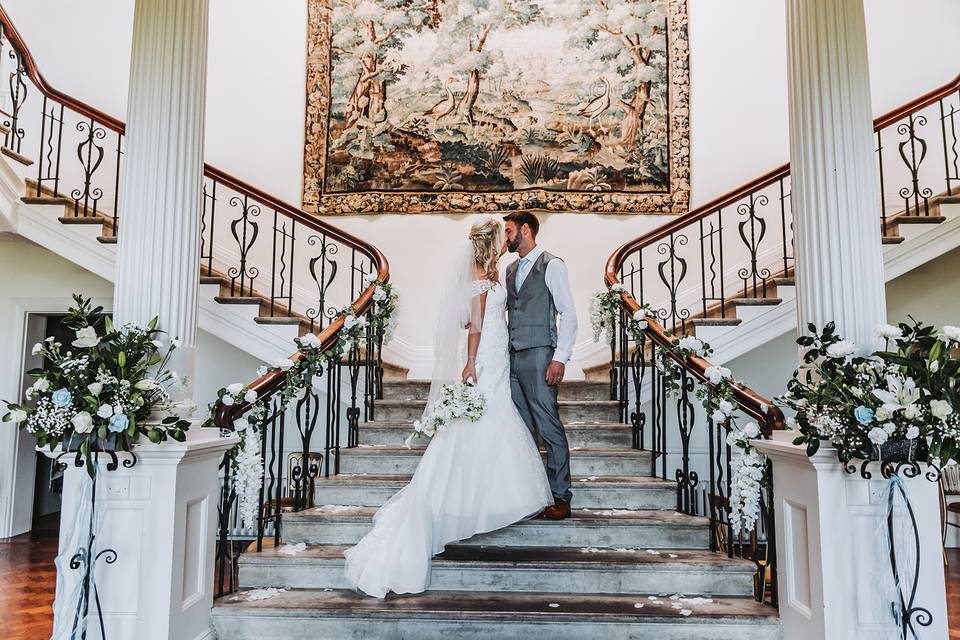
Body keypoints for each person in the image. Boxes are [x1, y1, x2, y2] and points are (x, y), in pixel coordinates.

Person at [343, 216, 553, 599]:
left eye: (508, 233)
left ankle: (485, 495)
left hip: (496, 353)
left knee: (491, 418)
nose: (505, 239)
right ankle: (464, 500)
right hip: (486, 356)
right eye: (500, 235)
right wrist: (471, 362)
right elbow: (472, 325)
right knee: (484, 419)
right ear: (489, 242)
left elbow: (468, 318)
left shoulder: (489, 272)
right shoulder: (480, 275)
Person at [503, 211, 578, 520]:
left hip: (540, 355)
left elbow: (568, 313)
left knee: (548, 426)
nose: (505, 237)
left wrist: (560, 357)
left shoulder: (552, 265)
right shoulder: (508, 270)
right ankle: (531, 496)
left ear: (525, 230)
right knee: (521, 430)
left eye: (508, 231)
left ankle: (560, 495)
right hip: (512, 356)